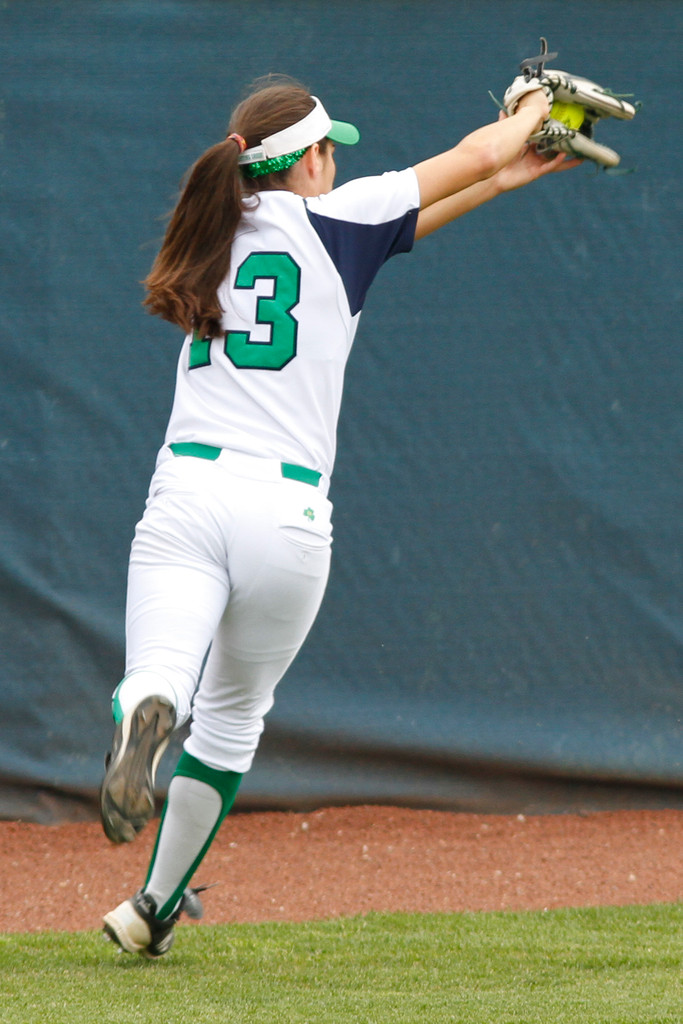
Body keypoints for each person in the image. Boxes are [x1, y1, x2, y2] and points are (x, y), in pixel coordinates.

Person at [100, 73, 579, 957]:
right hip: (285, 516)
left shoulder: (212, 230)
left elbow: (404, 223)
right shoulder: (337, 217)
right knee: (235, 718)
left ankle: (146, 709)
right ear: (311, 159)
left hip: (189, 496)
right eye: (331, 151)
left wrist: (499, 178)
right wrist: (529, 115)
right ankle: (151, 910)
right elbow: (472, 153)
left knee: (162, 670)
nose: (337, 165)